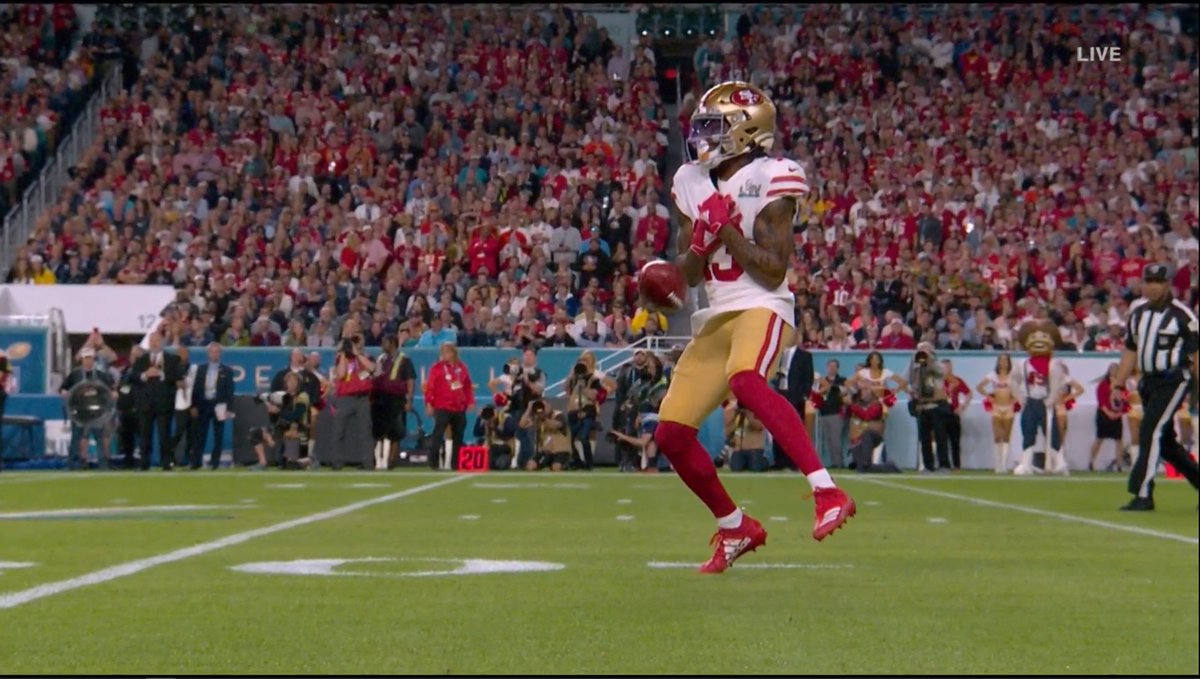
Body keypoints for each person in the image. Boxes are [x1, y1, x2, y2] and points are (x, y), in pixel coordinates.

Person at [655, 80, 854, 574]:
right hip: (716, 314)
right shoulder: (690, 180)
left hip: (762, 305)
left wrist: (724, 229)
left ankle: (827, 491)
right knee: (671, 434)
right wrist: (699, 243)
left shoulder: (772, 177)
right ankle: (734, 526)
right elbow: (690, 274)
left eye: (712, 127)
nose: (701, 137)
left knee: (746, 379)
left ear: (745, 131)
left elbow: (772, 270)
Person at [1110, 263, 1198, 511]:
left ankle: (1143, 494)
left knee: (1150, 429)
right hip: (1148, 381)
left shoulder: (1183, 315)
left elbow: (1196, 353)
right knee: (1166, 443)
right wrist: (1118, 384)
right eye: (1149, 281)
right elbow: (1130, 350)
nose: (1153, 287)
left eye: (1158, 282)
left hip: (1174, 378)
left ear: (1168, 284)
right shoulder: (1138, 314)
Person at [130, 334, 184, 470]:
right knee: (144, 435)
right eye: (151, 341)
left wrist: (162, 374)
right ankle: (144, 464)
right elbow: (132, 377)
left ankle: (166, 463)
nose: (154, 344)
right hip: (145, 404)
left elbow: (178, 376)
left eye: (157, 341)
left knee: (164, 435)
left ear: (162, 342)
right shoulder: (141, 360)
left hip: (164, 404)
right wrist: (145, 375)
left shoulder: (172, 359)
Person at [60, 347, 116, 469]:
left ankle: (103, 465)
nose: (88, 361)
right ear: (82, 359)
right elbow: (63, 388)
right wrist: (65, 392)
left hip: (97, 413)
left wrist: (113, 393)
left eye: (90, 358)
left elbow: (111, 388)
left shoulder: (101, 375)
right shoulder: (74, 374)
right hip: (79, 413)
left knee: (99, 438)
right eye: (86, 358)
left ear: (93, 359)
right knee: (76, 438)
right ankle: (72, 464)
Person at [424, 341, 475, 469]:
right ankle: (434, 461)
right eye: (442, 352)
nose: (444, 354)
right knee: (438, 433)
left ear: (453, 353)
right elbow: (430, 387)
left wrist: (470, 401)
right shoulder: (437, 368)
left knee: (458, 436)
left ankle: (455, 463)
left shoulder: (462, 367)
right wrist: (429, 403)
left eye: (446, 351)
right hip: (442, 406)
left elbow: (467, 386)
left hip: (459, 407)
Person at [329, 331, 376, 470]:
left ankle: (368, 462)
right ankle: (337, 462)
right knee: (339, 430)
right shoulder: (341, 358)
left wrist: (357, 354)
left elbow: (372, 368)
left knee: (365, 431)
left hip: (362, 398)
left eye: (357, 341)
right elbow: (341, 375)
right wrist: (343, 354)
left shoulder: (365, 357)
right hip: (345, 398)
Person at [371, 335, 416, 471]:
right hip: (379, 398)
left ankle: (391, 460)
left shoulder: (404, 360)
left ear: (392, 343)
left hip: (396, 399)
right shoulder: (380, 359)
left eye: (385, 342)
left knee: (395, 431)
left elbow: (410, 380)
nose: (382, 345)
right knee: (378, 431)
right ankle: (378, 459)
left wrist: (409, 399)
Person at [907, 343, 952, 473]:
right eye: (920, 351)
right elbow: (909, 382)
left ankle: (944, 465)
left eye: (925, 351)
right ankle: (928, 466)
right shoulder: (915, 367)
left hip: (936, 406)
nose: (923, 354)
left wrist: (929, 360)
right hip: (922, 407)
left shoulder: (937, 365)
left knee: (940, 436)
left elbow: (942, 374)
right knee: (924, 438)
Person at [774, 333, 814, 470]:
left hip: (795, 398)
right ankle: (779, 461)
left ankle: (794, 462)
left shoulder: (805, 356)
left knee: (794, 431)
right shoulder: (778, 355)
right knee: (778, 429)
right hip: (779, 396)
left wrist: (802, 396)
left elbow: (808, 378)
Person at [192, 343, 235, 470]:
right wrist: (194, 405)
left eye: (217, 352)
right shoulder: (201, 369)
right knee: (200, 434)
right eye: (212, 352)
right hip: (203, 404)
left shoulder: (227, 371)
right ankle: (196, 462)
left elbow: (230, 391)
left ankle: (215, 462)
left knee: (218, 435)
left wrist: (229, 408)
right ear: (208, 354)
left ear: (220, 354)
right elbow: (196, 388)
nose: (215, 354)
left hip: (219, 405)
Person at [976, 353, 1018, 473]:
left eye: (1005, 360)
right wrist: (989, 397)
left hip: (1008, 408)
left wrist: (1015, 399)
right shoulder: (992, 375)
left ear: (1009, 362)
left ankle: (1004, 465)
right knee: (997, 436)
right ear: (998, 362)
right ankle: (998, 464)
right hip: (996, 408)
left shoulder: (1013, 376)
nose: (1003, 363)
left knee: (1006, 436)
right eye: (1001, 360)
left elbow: (1020, 390)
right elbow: (979, 387)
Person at [1090, 364, 1126, 472]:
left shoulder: (1121, 385)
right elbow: (1101, 401)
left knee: (1119, 440)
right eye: (1112, 369)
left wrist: (1119, 413)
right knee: (1099, 438)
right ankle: (1091, 461)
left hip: (1117, 414)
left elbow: (1125, 400)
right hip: (1103, 414)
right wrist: (1108, 413)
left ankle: (1119, 464)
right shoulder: (1103, 384)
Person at [814, 359, 847, 469]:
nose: (832, 368)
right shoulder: (822, 382)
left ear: (837, 368)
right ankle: (833, 462)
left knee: (836, 440)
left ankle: (839, 463)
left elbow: (845, 393)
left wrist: (834, 387)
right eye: (830, 366)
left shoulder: (842, 381)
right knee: (828, 440)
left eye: (834, 366)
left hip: (836, 413)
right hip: (824, 413)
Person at [169, 346, 198, 469]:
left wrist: (195, 404)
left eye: (185, 353)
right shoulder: (173, 369)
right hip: (179, 404)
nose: (182, 355)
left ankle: (189, 458)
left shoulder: (194, 368)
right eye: (180, 353)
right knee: (180, 430)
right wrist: (176, 384)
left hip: (192, 404)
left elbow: (197, 387)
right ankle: (170, 454)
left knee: (192, 433)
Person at [942, 359, 972, 471]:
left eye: (948, 367)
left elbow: (969, 393)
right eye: (944, 367)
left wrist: (963, 406)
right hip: (941, 412)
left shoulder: (957, 381)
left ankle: (956, 465)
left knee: (955, 440)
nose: (946, 369)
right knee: (942, 440)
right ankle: (944, 464)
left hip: (954, 412)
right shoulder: (938, 381)